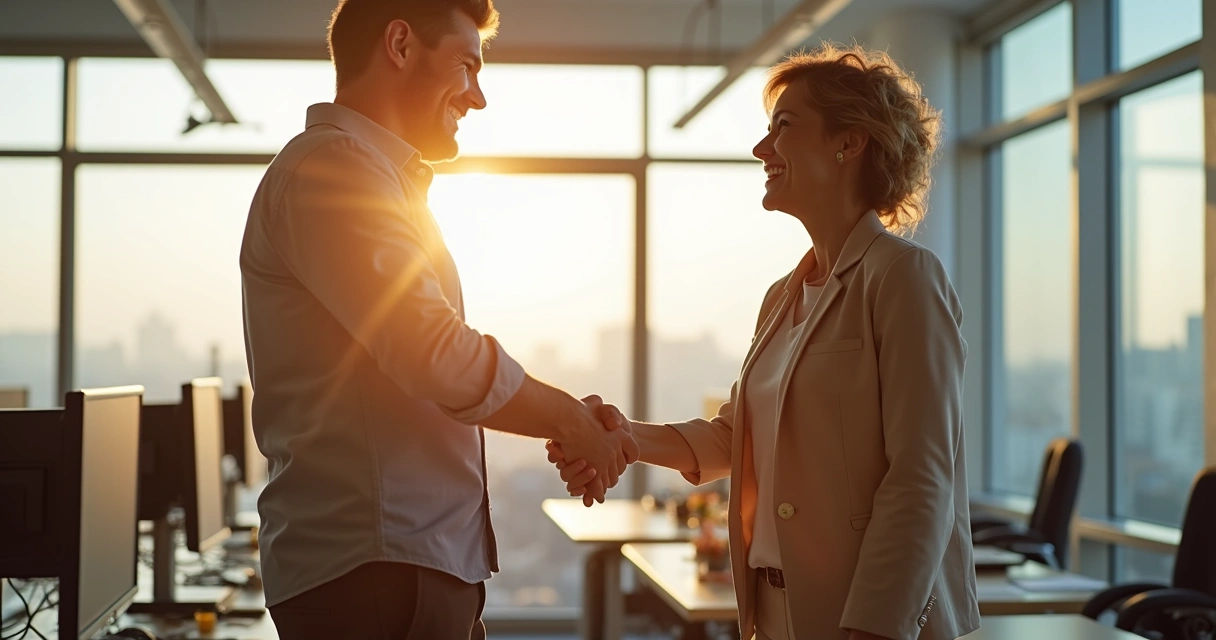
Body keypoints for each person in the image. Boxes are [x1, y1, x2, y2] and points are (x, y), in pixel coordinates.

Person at [548, 44, 980, 640]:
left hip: (865, 619)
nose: (761, 149)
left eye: (783, 127)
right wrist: (624, 437)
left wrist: (877, 628)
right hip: (775, 613)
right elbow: (735, 434)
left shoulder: (903, 276)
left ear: (849, 142)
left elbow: (921, 476)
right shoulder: (782, 295)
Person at [239, 1, 637, 638]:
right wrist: (565, 419)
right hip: (376, 575)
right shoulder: (333, 172)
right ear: (399, 45)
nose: (477, 98)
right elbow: (435, 355)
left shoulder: (377, 181)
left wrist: (575, 425)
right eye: (466, 67)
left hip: (399, 572)